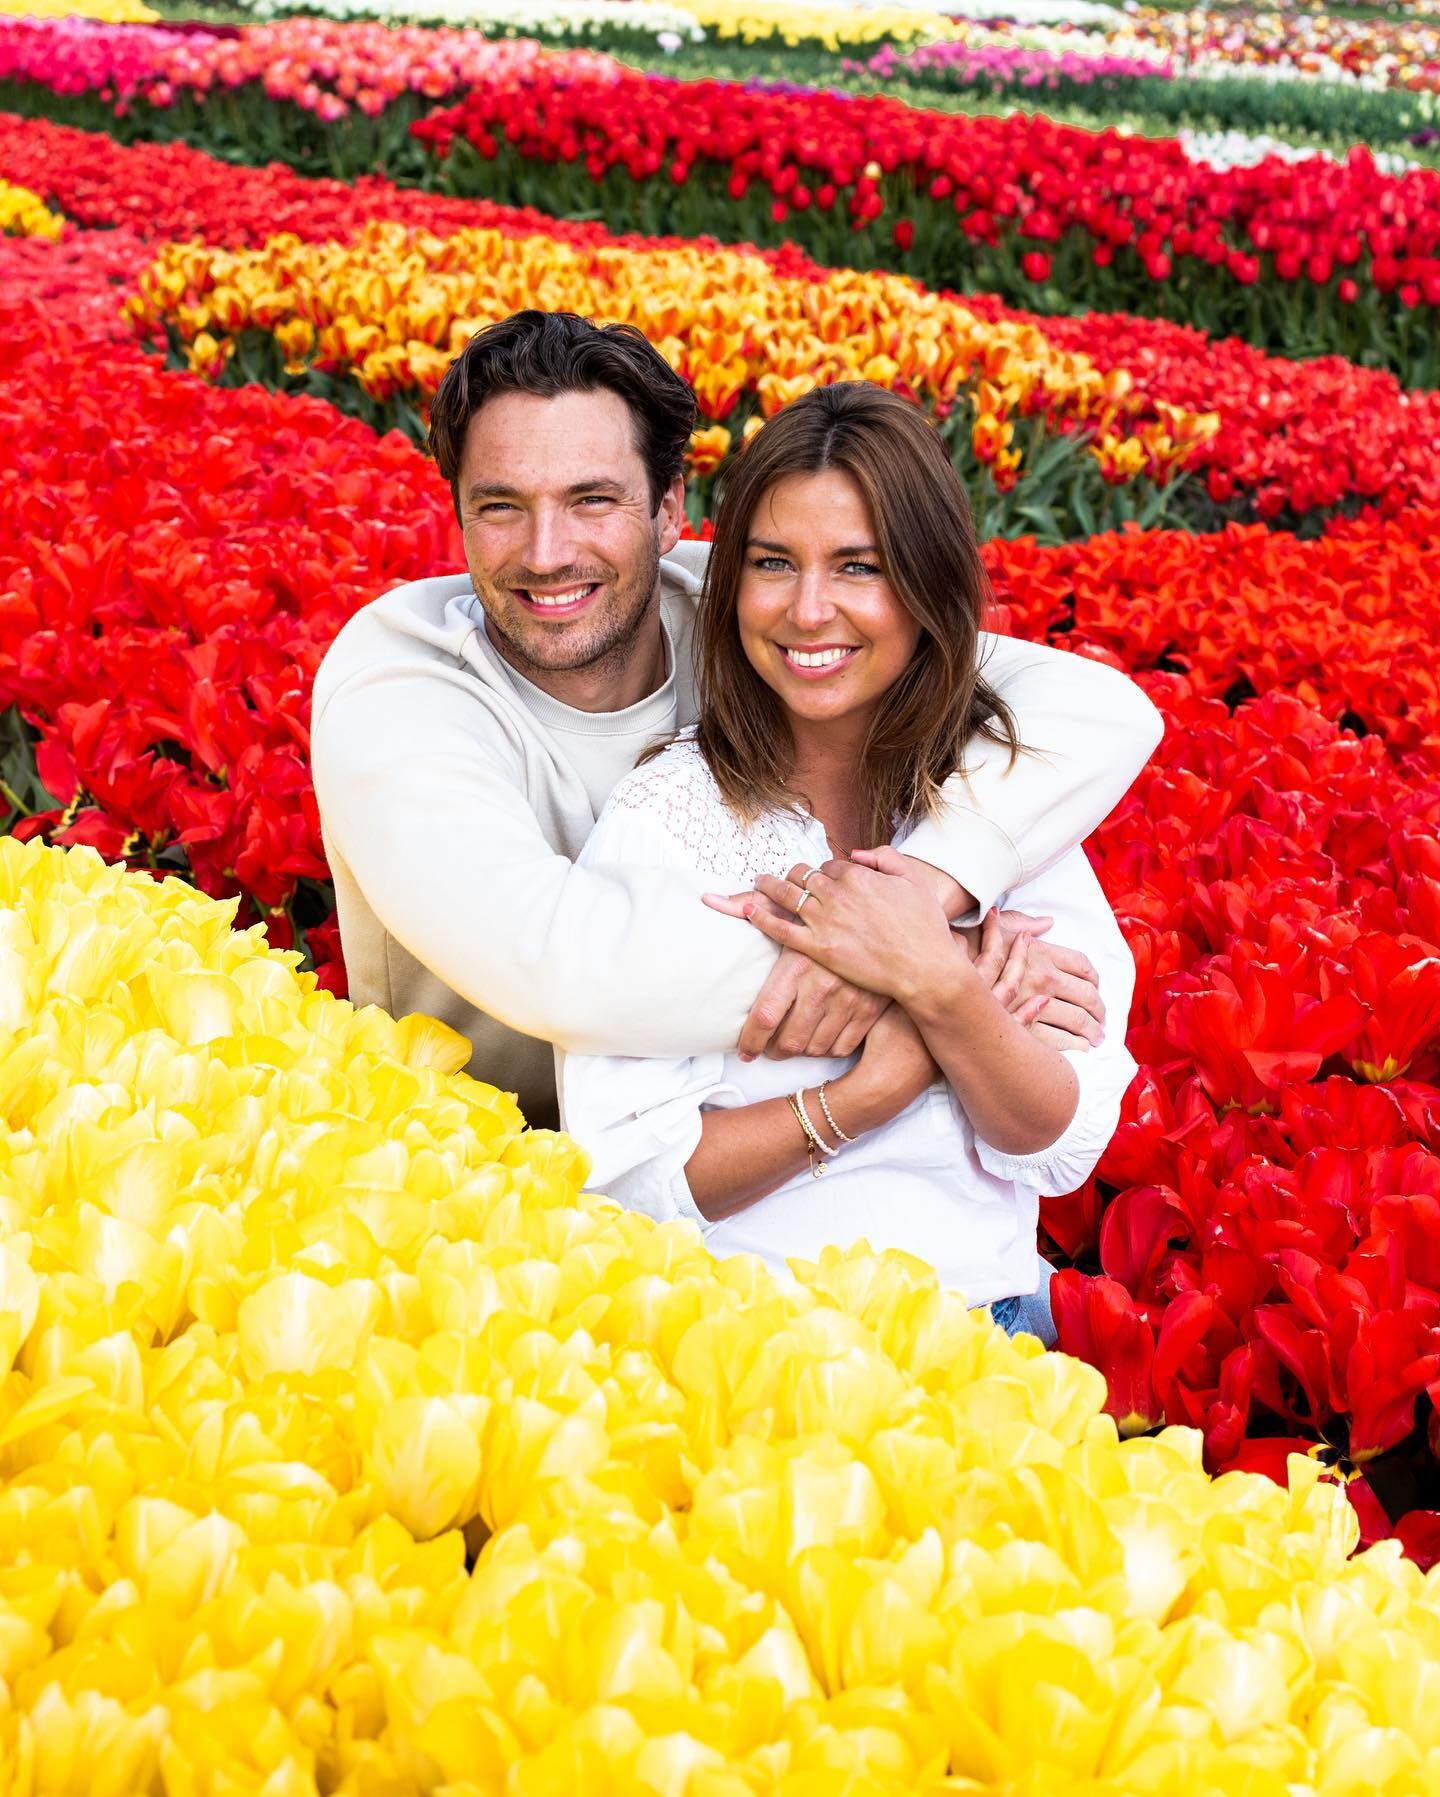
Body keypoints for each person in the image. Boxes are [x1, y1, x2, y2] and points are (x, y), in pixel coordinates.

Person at [311, 310, 1160, 1136]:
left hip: (736, 1202)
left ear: (669, 508)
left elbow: (1100, 708)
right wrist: (942, 969)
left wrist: (926, 897)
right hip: (464, 1183)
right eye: (500, 506)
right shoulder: (400, 682)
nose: (545, 551)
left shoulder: (757, 610)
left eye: (593, 499)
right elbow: (564, 968)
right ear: (457, 508)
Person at [555, 383, 1141, 1338]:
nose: (808, 609)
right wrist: (882, 1081)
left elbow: (1058, 1135)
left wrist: (936, 984)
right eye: (773, 563)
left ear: (926, 586)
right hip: (748, 1336)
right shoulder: (669, 813)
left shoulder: (1004, 806)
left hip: (989, 1331)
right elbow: (632, 1173)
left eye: (858, 566)